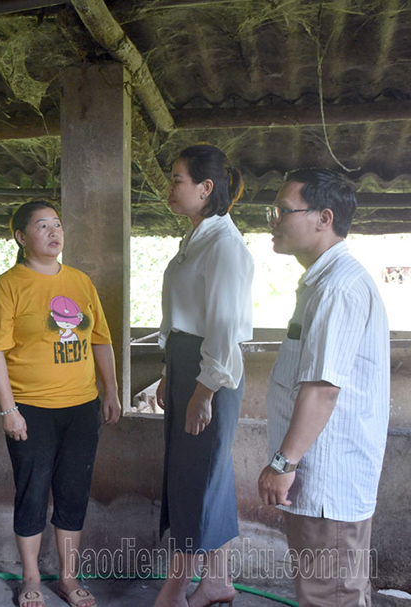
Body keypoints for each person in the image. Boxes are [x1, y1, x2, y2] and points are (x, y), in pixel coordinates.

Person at [258, 169, 390, 607]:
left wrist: (282, 462)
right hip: (320, 478)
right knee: (334, 590)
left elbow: (322, 389)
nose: (273, 220)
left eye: (282, 211)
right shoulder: (323, 281)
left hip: (326, 480)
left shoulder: (338, 287)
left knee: (328, 594)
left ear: (323, 218)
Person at [0, 201, 122, 607]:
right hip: (31, 409)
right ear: (22, 238)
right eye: (41, 226)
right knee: (32, 491)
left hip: (81, 407)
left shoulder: (81, 282)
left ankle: (68, 577)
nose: (53, 231)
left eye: (57, 224)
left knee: (73, 491)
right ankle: (29, 577)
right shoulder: (7, 286)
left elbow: (101, 340)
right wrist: (9, 410)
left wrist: (110, 391)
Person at [155, 145, 253, 607]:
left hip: (208, 370)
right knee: (202, 471)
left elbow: (224, 328)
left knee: (197, 474)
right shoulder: (196, 239)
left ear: (205, 187)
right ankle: (217, 580)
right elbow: (183, 317)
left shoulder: (225, 246)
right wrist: (167, 371)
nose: (169, 188)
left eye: (177, 179)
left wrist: (204, 389)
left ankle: (177, 586)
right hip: (186, 363)